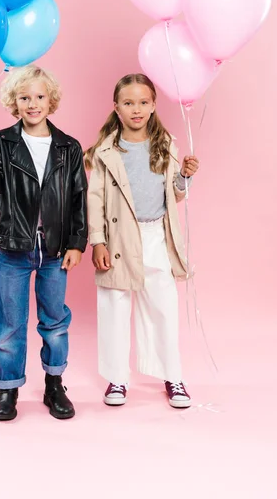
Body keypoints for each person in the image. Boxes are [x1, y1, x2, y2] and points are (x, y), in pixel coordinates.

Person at [0, 64, 88, 421]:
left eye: (39, 97)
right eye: (25, 97)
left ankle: (55, 384)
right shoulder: (2, 142)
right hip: (16, 246)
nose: (33, 104)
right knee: (12, 321)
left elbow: (78, 197)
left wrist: (76, 243)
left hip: (54, 249)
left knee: (54, 319)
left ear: (50, 100)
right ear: (15, 102)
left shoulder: (68, 147)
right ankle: (8, 387)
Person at [85, 73, 199, 408]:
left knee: (163, 307)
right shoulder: (107, 150)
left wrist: (185, 177)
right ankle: (117, 379)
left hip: (155, 236)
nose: (137, 109)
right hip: (118, 238)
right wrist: (98, 241)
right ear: (116, 107)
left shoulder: (166, 144)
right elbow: (95, 199)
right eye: (129, 103)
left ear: (153, 105)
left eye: (143, 102)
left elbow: (174, 195)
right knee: (114, 307)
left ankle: (172, 376)